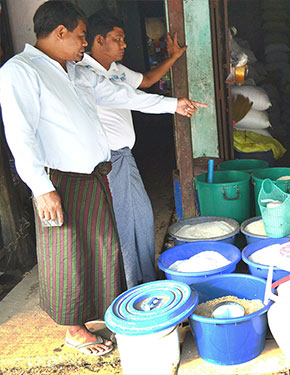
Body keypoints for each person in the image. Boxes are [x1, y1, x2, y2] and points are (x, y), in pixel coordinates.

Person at [0, 1, 205, 356]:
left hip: (94, 175)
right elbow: (20, 135)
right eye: (81, 37)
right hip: (60, 180)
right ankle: (74, 330)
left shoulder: (75, 71)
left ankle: (96, 316)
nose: (85, 44)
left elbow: (124, 95)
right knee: (67, 253)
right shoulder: (21, 71)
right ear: (59, 32)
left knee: (100, 249)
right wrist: (41, 188)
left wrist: (173, 105)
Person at [81, 9, 186, 289]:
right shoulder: (84, 74)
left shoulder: (117, 71)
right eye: (118, 39)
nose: (124, 44)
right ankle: (128, 285)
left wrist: (173, 57)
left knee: (142, 216)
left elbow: (148, 82)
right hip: (106, 161)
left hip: (126, 157)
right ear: (99, 40)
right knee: (123, 225)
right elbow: (135, 98)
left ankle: (146, 277)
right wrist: (173, 105)